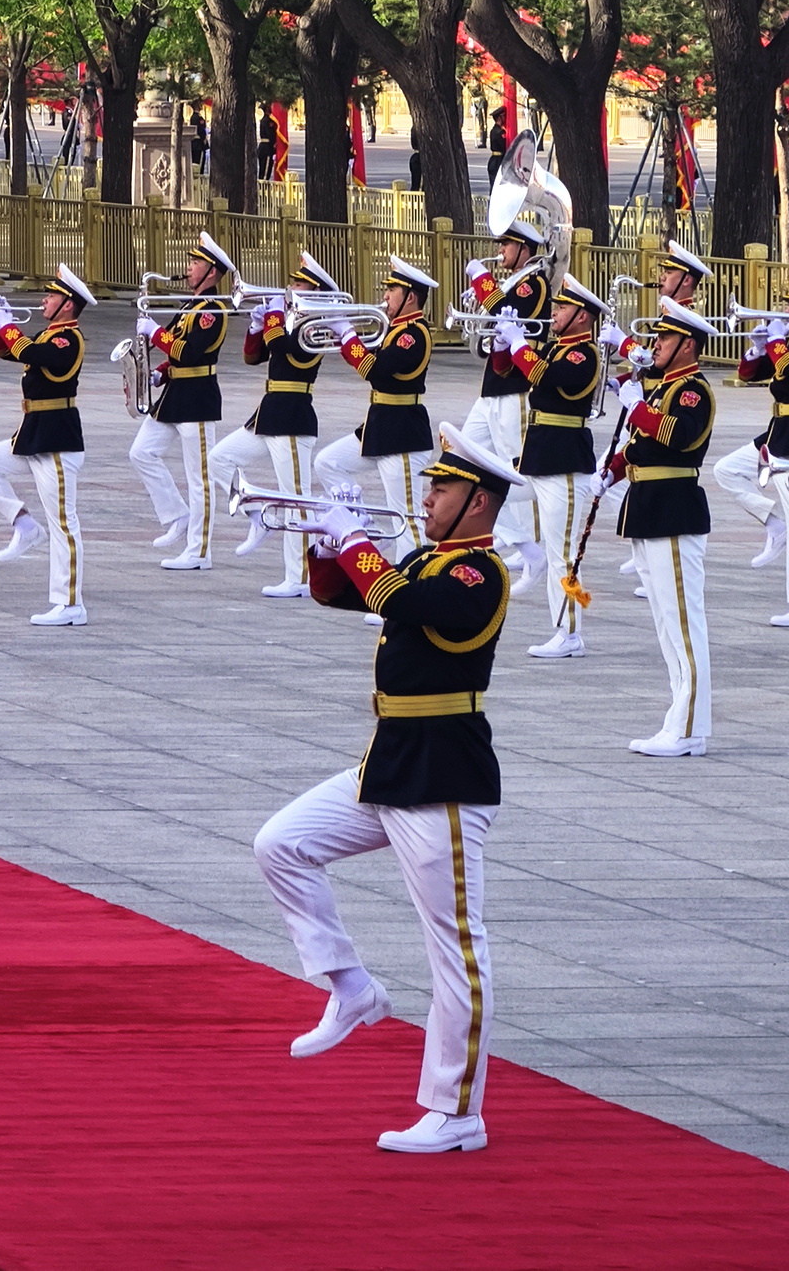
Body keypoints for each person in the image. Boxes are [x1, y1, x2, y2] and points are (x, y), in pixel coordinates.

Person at [252, 425, 518, 1154]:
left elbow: (406, 604)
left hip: (444, 774)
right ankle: (348, 985)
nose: (427, 497)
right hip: (391, 760)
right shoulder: (430, 557)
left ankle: (456, 1110)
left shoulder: (479, 574)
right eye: (430, 485)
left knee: (454, 949)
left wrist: (358, 543)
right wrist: (323, 543)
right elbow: (348, 598)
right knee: (281, 844)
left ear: (478, 503)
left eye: (442, 488)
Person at [613, 297, 719, 756]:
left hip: (674, 508)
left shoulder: (693, 390)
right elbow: (641, 446)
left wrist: (636, 409)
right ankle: (679, 715)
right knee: (665, 624)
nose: (656, 344)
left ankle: (691, 726)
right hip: (649, 506)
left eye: (665, 338)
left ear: (688, 344)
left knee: (683, 624)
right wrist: (612, 470)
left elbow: (676, 436)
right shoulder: (662, 388)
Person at [0, 266, 96, 625]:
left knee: (63, 524)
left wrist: (6, 325)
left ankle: (70, 604)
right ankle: (24, 525)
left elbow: (33, 353)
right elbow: (13, 353)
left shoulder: (67, 339)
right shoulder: (50, 332)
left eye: (52, 295)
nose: (45, 299)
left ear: (68, 305)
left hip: (56, 437)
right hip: (34, 432)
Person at [208, 252, 338, 598]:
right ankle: (255, 514)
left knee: (296, 500)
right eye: (293, 283)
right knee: (219, 458)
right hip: (268, 414)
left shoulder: (318, 327)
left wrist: (274, 318)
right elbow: (254, 357)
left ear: (315, 291)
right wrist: (255, 326)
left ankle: (298, 578)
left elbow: (285, 348)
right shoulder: (291, 321)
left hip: (293, 418)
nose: (290, 288)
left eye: (298, 284)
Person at [713, 272, 789, 628]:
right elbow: (749, 373)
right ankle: (772, 523)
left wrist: (778, 343)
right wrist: (756, 347)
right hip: (777, 432)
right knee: (726, 470)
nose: (786, 309)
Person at [496, 276, 608, 658]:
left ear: (582, 316)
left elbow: (548, 378)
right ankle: (526, 551)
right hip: (540, 456)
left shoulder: (584, 354)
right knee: (485, 490)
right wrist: (502, 346)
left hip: (564, 463)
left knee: (562, 551)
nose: (554, 313)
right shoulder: (557, 346)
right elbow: (512, 373)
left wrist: (518, 344)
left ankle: (569, 632)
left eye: (562, 308)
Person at [314, 258, 439, 563]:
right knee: (327, 463)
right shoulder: (394, 330)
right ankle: (362, 521)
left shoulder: (414, 334)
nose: (385, 295)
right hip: (380, 426)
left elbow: (375, 370)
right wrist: (344, 338)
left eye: (392, 289)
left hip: (403, 435)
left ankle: (410, 590)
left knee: (406, 517)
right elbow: (370, 362)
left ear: (410, 296)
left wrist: (347, 335)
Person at [130, 233, 236, 569]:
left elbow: (190, 352)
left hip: (198, 399)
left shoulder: (213, 310)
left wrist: (155, 333)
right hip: (175, 395)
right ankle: (176, 515)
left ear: (211, 272)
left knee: (199, 478)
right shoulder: (191, 305)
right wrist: (159, 373)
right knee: (141, 453)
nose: (188, 268)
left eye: (195, 264)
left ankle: (199, 551)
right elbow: (176, 347)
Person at [462, 219, 555, 591]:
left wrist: (481, 282)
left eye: (507, 245)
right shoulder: (515, 281)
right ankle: (523, 543)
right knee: (461, 457)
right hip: (493, 387)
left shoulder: (534, 283)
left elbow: (504, 313)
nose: (500, 251)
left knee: (516, 468)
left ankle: (532, 546)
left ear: (524, 250)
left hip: (516, 387)